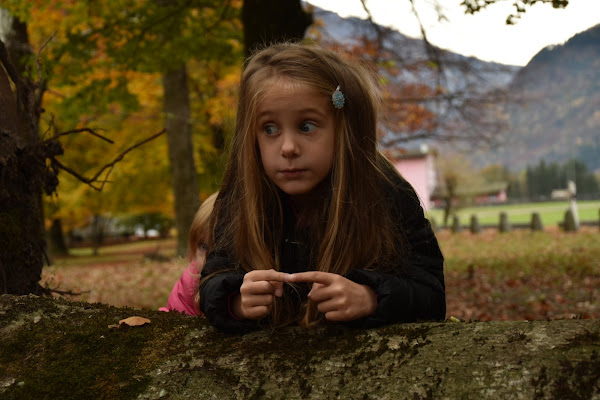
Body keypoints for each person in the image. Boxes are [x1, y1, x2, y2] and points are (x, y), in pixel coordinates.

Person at [200, 42, 445, 333]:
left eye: (306, 126)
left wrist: (372, 297)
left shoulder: (386, 195)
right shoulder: (240, 201)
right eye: (269, 129)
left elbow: (430, 295)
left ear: (346, 129)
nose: (288, 147)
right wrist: (235, 301)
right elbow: (210, 281)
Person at [159, 192, 218, 316]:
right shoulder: (191, 282)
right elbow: (174, 319)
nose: (209, 259)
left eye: (221, 250)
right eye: (204, 246)